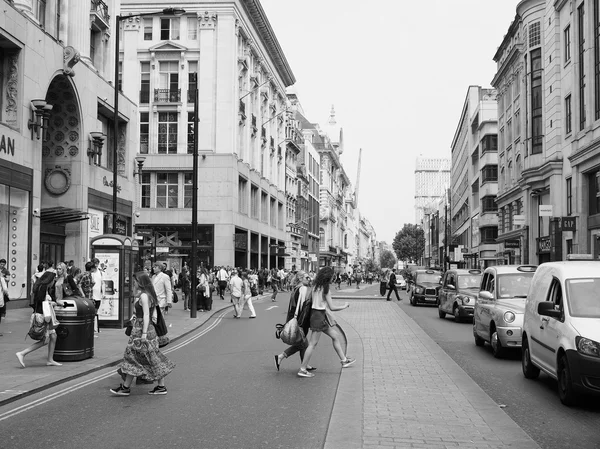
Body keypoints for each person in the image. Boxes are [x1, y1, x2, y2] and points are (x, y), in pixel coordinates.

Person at [110, 271, 175, 396]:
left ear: (140, 282)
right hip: (145, 329)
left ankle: (126, 387)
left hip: (142, 330)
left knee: (134, 357)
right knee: (145, 358)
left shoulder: (144, 296)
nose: (133, 283)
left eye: (134, 281)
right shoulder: (147, 295)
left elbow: (146, 315)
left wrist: (143, 334)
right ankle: (129, 387)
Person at [298, 266, 354, 378]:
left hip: (316, 315)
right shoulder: (326, 288)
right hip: (319, 316)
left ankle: (343, 360)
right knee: (312, 344)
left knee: (335, 335)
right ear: (328, 277)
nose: (333, 277)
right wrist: (344, 305)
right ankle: (302, 369)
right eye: (332, 276)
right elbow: (332, 307)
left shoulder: (315, 286)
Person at [15, 271, 63, 367]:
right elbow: (42, 303)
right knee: (45, 340)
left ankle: (50, 360)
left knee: (53, 336)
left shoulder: (41, 287)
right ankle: (22, 353)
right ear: (49, 280)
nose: (54, 282)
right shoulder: (42, 288)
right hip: (42, 316)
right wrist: (51, 303)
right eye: (53, 279)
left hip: (43, 315)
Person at [274, 270, 315, 371]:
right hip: (299, 319)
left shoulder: (296, 288)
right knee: (302, 343)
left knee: (302, 343)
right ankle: (281, 357)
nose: (309, 279)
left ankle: (304, 364)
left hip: (292, 318)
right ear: (301, 278)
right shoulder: (303, 288)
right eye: (307, 277)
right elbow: (302, 306)